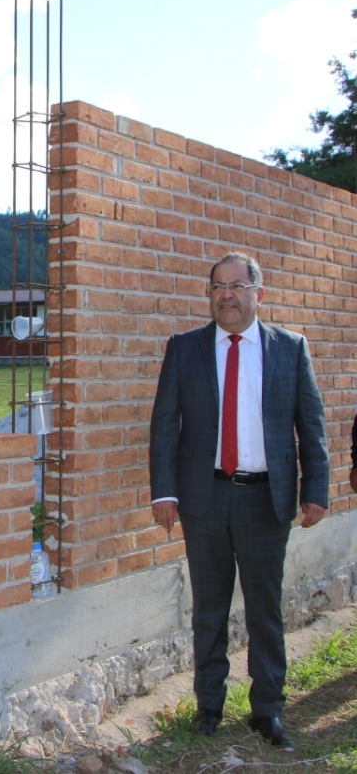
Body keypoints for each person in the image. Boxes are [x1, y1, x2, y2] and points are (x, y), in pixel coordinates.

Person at [149, 251, 329, 752]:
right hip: (203, 498)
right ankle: (209, 706)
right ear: (209, 296)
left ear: (258, 292)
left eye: (235, 285)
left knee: (264, 610)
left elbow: (309, 427)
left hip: (264, 500)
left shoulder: (290, 350)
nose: (225, 295)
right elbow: (165, 425)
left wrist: (316, 489)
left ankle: (267, 709)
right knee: (208, 609)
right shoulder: (184, 349)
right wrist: (164, 491)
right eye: (216, 287)